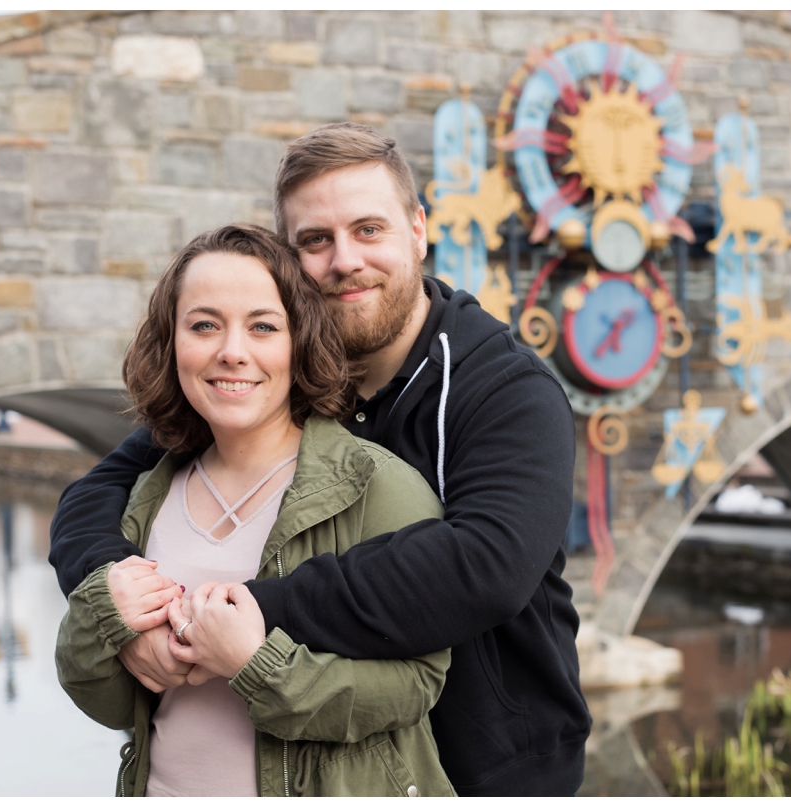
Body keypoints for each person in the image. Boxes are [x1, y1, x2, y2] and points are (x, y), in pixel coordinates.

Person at [50, 123, 591, 796]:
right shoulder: (277, 384)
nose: (344, 260)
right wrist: (122, 604)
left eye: (369, 230)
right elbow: (98, 490)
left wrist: (248, 609)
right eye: (315, 240)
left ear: (418, 231)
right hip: (324, 764)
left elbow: (487, 566)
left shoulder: (504, 390)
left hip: (494, 766)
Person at [55, 224, 454, 797]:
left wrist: (256, 665)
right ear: (171, 343)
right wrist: (105, 623)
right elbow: (108, 701)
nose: (232, 352)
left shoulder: (378, 487)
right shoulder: (145, 495)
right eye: (203, 326)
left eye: (263, 326)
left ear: (300, 341)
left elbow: (419, 683)